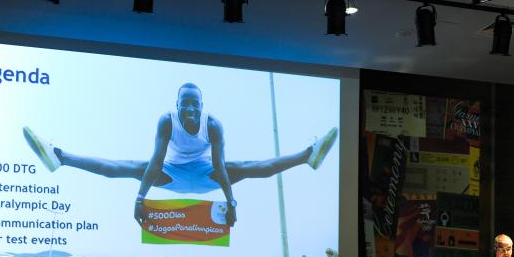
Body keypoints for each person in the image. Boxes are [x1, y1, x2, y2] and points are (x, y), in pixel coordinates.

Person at [23, 82, 338, 228]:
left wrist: (231, 203)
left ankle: (308, 155)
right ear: (177, 107)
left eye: (194, 104)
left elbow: (220, 168)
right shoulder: (167, 121)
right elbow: (156, 161)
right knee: (126, 167)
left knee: (247, 166)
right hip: (171, 173)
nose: (189, 108)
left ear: (202, 106)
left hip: (204, 175)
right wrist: (139, 200)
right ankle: (59, 157)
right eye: (184, 104)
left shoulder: (212, 125)